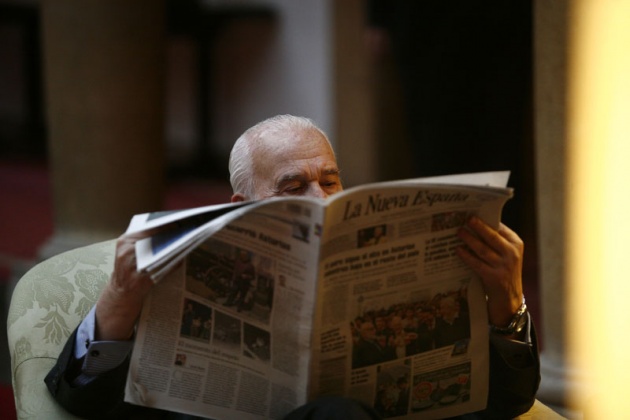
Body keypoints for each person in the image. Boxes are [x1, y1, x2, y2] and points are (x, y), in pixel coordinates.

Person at [45, 114, 540, 418]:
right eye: (291, 187)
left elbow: (506, 405)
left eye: (329, 181)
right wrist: (119, 297)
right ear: (240, 203)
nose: (319, 199)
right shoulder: (179, 258)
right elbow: (81, 402)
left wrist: (508, 303)